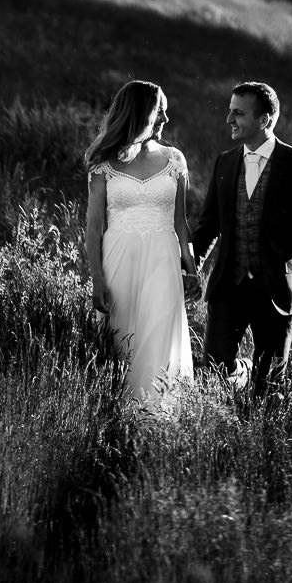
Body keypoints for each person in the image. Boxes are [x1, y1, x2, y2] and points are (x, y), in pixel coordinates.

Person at [190, 81, 292, 401]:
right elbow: (209, 226)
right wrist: (189, 267)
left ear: (264, 120)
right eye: (229, 112)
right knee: (214, 367)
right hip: (229, 285)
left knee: (269, 388)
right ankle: (243, 371)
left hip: (276, 290)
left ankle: (260, 441)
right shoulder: (224, 162)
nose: (229, 120)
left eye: (238, 113)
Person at [83, 79, 197, 404]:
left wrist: (190, 267)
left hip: (163, 261)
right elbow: (93, 228)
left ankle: (157, 418)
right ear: (142, 115)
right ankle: (121, 415)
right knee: (121, 342)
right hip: (119, 260)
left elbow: (180, 222)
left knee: (159, 338)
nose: (166, 120)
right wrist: (97, 279)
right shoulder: (103, 165)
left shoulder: (175, 160)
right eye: (160, 112)